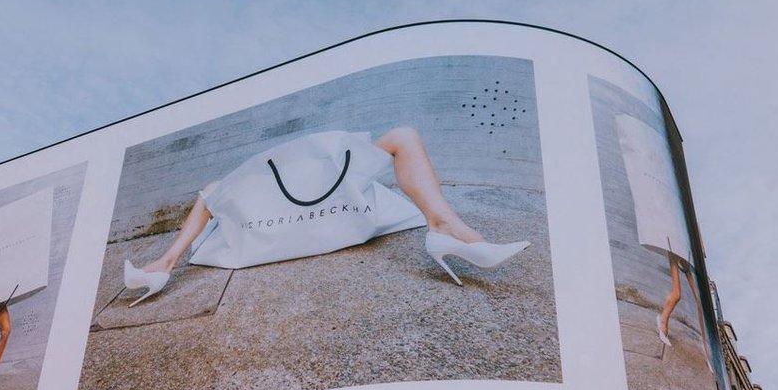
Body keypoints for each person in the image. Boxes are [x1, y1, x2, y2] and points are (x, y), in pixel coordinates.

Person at [123, 126, 529, 305]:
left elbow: (211, 196)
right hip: (336, 212)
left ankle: (164, 264)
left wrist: (172, 257)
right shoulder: (328, 168)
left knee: (213, 189)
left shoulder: (247, 189)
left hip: (274, 216)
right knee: (403, 135)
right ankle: (444, 228)